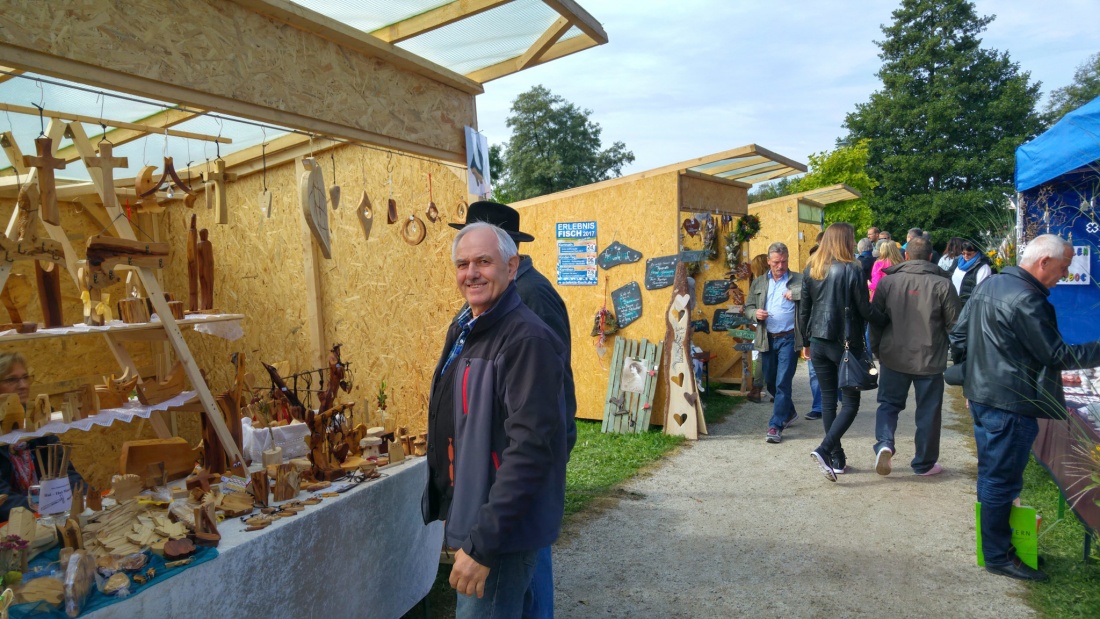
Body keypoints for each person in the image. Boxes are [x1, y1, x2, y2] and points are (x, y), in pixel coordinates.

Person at [423, 222, 568, 615]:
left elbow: (530, 451)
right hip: (480, 518)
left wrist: (483, 542)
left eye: (484, 261)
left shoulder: (525, 340)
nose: (471, 272)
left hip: (500, 532)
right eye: (463, 263)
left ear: (511, 264)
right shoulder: (469, 327)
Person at [949, 234, 1100, 582]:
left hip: (987, 398)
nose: (1063, 276)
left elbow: (958, 337)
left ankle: (998, 549)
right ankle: (999, 555)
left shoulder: (992, 285)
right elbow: (1056, 355)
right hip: (1010, 403)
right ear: (1043, 262)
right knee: (1000, 480)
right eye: (1062, 268)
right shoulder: (1027, 299)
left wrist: (975, 376)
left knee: (993, 476)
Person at [799, 223, 886, 480]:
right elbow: (864, 310)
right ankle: (826, 449)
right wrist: (888, 319)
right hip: (845, 342)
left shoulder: (811, 268)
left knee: (828, 400)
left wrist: (805, 341)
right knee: (850, 402)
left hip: (818, 340)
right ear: (845, 241)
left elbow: (803, 309)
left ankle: (837, 458)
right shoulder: (852, 269)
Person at [869, 238, 961, 477]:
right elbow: (955, 326)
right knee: (928, 412)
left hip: (893, 354)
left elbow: (876, 322)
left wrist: (876, 349)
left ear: (906, 256)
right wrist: (962, 360)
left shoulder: (888, 283)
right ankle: (924, 463)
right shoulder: (943, 284)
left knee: (888, 405)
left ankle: (885, 443)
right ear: (931, 257)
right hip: (929, 359)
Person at [0, 352, 82, 522]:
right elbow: (3, 499)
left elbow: (64, 472)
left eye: (25, 377)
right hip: (12, 524)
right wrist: (50, 504)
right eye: (11, 380)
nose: (22, 385)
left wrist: (84, 495)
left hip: (49, 512)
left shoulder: (37, 422)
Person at [744, 243, 804, 443]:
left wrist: (794, 294)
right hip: (767, 338)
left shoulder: (798, 279)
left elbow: (811, 296)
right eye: (776, 262)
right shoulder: (759, 282)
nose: (781, 265)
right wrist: (755, 314)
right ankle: (789, 412)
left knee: (782, 382)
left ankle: (775, 426)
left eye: (784, 261)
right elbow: (749, 307)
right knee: (770, 382)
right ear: (768, 261)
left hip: (789, 339)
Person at [746, 254, 770, 404]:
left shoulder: (757, 283)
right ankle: (775, 391)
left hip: (764, 322)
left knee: (762, 355)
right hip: (777, 322)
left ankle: (757, 389)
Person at [949, 240, 993, 306]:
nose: (965, 256)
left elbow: (980, 291)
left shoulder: (983, 267)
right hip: (955, 303)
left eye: (969, 254)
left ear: (977, 252)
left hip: (969, 305)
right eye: (963, 253)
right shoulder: (958, 262)